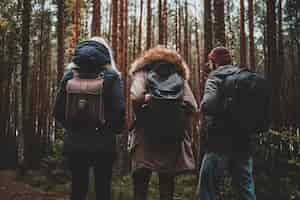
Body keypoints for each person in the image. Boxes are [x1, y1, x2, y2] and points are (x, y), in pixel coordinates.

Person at [54, 37, 125, 200]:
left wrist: (72, 127)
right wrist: (112, 130)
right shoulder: (111, 76)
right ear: (106, 53)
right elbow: (120, 110)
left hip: (75, 142)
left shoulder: (69, 76)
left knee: (78, 190)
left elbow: (58, 111)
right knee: (103, 190)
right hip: (104, 143)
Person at [196, 46, 270, 200]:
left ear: (214, 62)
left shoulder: (215, 77)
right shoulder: (244, 75)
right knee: (246, 188)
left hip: (219, 140)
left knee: (207, 188)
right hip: (244, 140)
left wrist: (202, 107)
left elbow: (208, 105)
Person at [129, 46, 198, 200]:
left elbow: (136, 96)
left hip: (144, 135)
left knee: (141, 182)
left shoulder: (142, 73)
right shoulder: (179, 76)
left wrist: (148, 100)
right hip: (171, 138)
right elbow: (192, 106)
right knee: (166, 183)